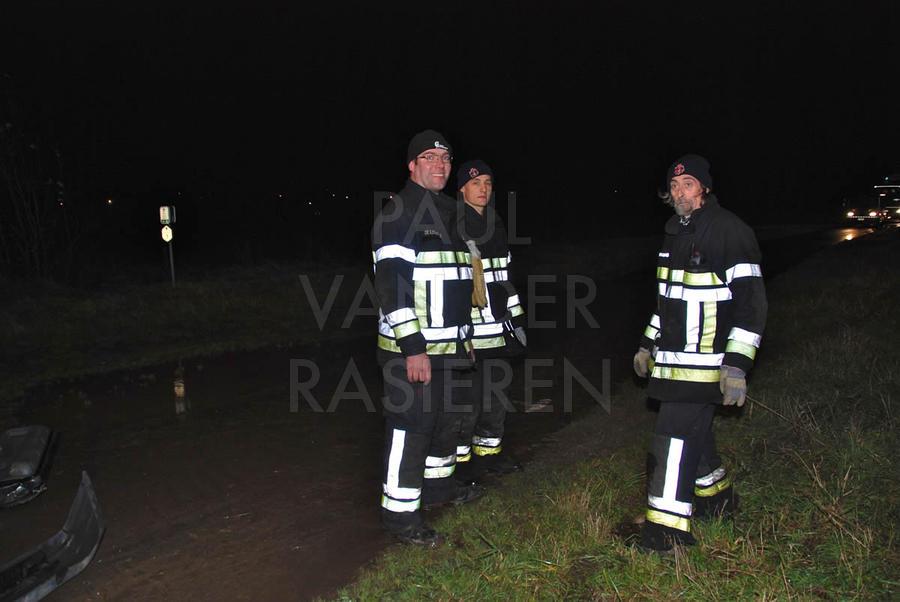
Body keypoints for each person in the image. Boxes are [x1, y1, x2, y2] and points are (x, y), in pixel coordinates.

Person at [633, 154, 768, 552]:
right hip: (674, 363)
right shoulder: (675, 232)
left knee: (672, 438)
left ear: (705, 188)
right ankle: (718, 501)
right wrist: (646, 344)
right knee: (696, 431)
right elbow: (668, 301)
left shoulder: (729, 230)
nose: (680, 193)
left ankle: (666, 533)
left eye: (688, 184)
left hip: (707, 365)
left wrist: (737, 366)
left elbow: (752, 304)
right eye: (674, 186)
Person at [372, 130, 484, 547]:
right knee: (411, 426)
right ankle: (399, 516)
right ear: (412, 166)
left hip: (449, 348)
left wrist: (465, 337)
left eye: (445, 158)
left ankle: (438, 489)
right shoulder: (398, 213)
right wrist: (413, 348)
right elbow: (392, 287)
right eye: (429, 157)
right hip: (412, 352)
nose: (439, 164)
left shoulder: (449, 212)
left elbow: (457, 283)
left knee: (444, 423)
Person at [453, 160, 527, 480]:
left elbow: (505, 277)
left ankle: (490, 456)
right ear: (462, 189)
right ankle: (461, 465)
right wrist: (458, 332)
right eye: (475, 183)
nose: (483, 189)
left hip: (498, 329)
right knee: (466, 402)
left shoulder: (495, 224)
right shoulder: (454, 226)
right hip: (469, 332)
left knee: (496, 397)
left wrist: (517, 321)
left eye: (487, 183)